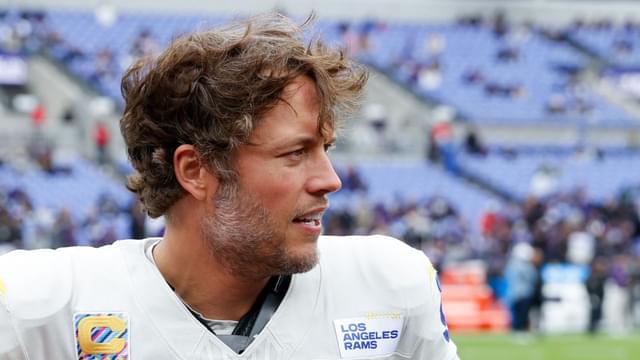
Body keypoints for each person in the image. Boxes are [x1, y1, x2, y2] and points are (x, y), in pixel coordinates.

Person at [0, 13, 459, 359]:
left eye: (326, 149)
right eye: (294, 153)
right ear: (196, 171)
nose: (330, 180)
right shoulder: (39, 308)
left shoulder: (387, 284)